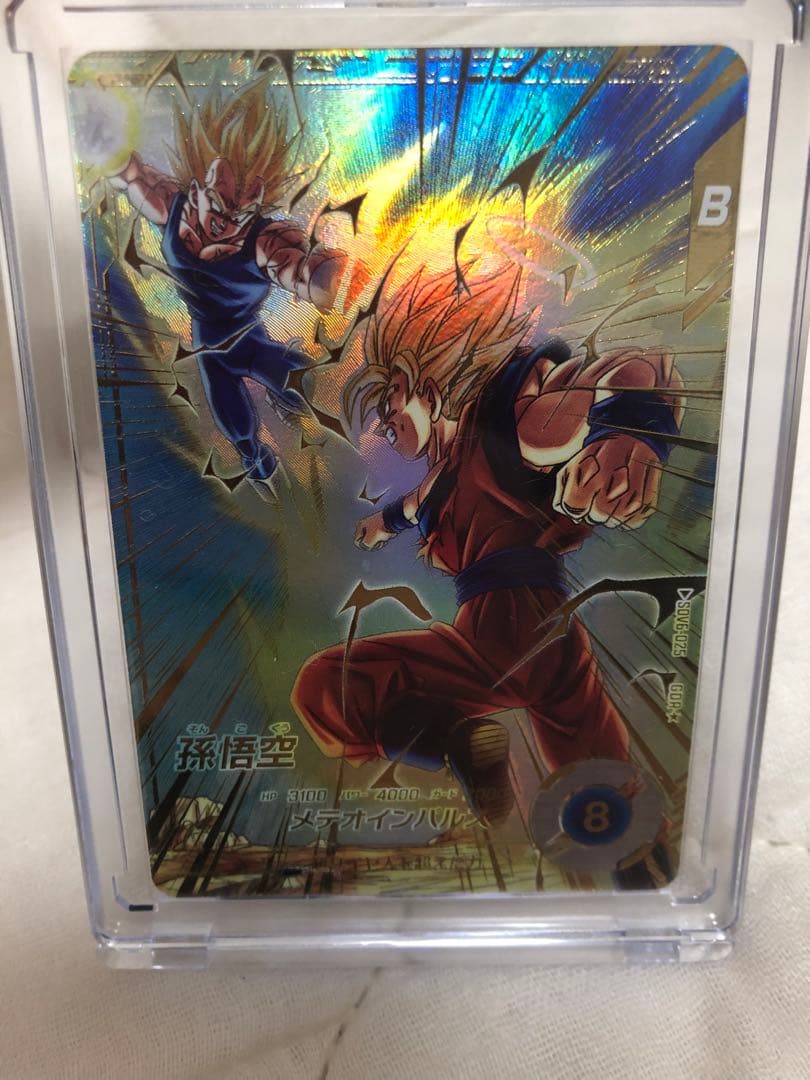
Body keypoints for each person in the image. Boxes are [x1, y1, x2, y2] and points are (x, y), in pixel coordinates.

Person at [292, 264, 683, 839]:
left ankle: (456, 742)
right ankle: (638, 851)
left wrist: (629, 435)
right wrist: (381, 523)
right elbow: (417, 504)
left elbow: (633, 369)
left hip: (505, 630)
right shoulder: (451, 469)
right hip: (554, 634)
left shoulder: (508, 418)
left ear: (422, 382)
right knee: (601, 794)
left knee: (330, 687)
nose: (385, 421)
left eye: (390, 400)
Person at [111, 78, 346, 480]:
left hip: (249, 342)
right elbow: (126, 172)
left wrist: (325, 278)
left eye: (241, 214)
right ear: (199, 185)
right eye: (219, 206)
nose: (226, 224)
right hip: (209, 349)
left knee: (306, 383)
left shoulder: (264, 239)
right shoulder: (172, 206)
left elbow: (303, 276)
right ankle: (258, 460)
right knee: (241, 434)